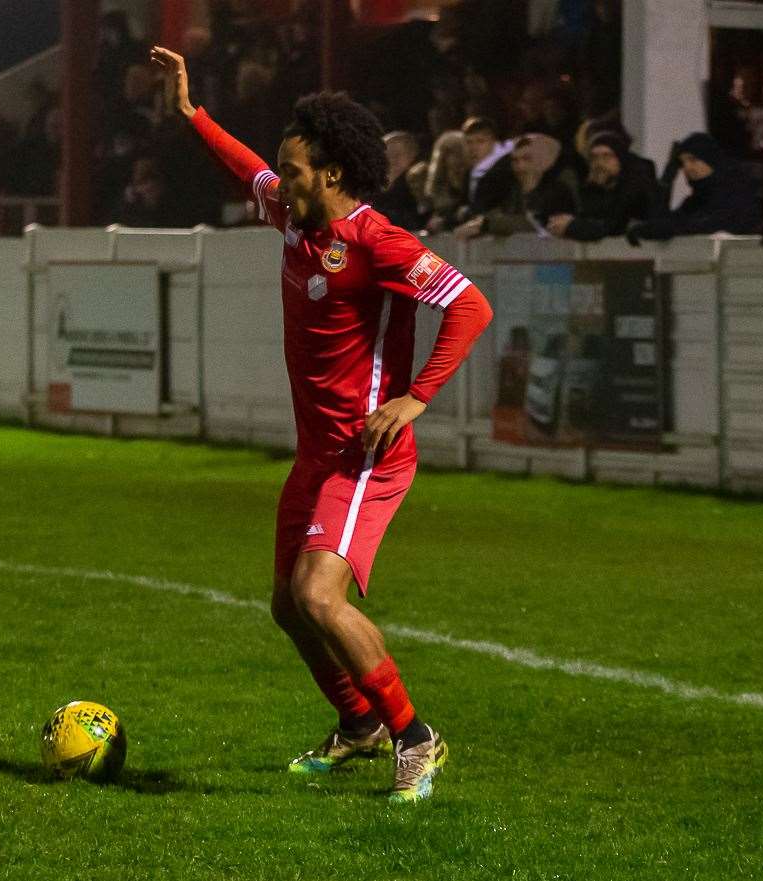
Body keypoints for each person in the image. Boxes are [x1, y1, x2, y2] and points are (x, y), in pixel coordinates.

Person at [151, 45, 493, 805]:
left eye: (293, 167)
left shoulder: (379, 243)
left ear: (331, 175)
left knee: (316, 596)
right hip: (317, 453)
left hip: (367, 453)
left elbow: (470, 305)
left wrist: (416, 398)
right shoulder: (292, 211)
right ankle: (359, 725)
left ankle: (415, 737)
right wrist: (190, 114)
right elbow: (245, 169)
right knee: (286, 605)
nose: (277, 178)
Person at [627, 132, 763, 242]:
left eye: (693, 160)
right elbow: (662, 221)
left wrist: (670, 229)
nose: (687, 168)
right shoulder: (695, 200)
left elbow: (713, 224)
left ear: (710, 159)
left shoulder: (737, 190)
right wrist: (668, 179)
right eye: (682, 162)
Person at [455, 133, 578, 239]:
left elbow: (538, 224)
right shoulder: (511, 192)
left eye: (527, 159)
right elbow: (497, 213)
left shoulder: (558, 192)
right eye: (515, 161)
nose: (520, 167)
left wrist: (486, 225)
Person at [546, 130, 659, 241]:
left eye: (607, 156)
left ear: (620, 159)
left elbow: (614, 226)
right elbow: (591, 219)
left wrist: (572, 225)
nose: (599, 163)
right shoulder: (594, 189)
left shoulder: (636, 187)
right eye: (594, 157)